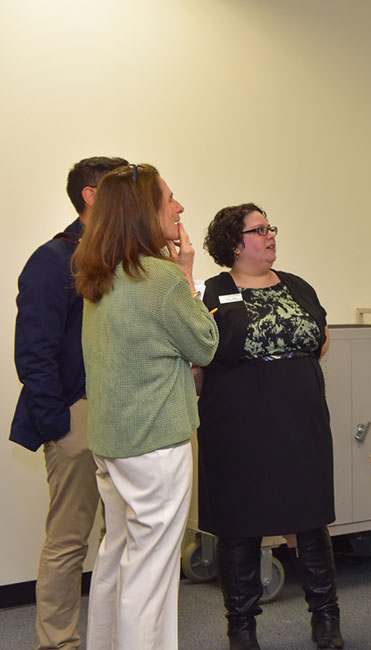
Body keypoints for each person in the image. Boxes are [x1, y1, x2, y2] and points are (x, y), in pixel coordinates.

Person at [73, 163, 218, 650]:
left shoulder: (100, 274)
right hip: (155, 447)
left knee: (116, 559)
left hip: (112, 446)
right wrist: (188, 274)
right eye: (170, 199)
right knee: (149, 576)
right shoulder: (160, 277)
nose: (179, 208)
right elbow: (205, 344)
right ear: (144, 212)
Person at [196, 203, 341, 650]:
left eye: (270, 227)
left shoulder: (297, 286)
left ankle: (326, 617)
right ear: (234, 245)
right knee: (240, 522)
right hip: (236, 423)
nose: (270, 235)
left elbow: (320, 339)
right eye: (259, 230)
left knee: (309, 517)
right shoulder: (212, 292)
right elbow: (201, 357)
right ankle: (241, 626)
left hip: (299, 416)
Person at [11, 156, 127, 650]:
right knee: (68, 539)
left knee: (123, 538)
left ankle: (117, 635)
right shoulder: (53, 259)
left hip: (127, 415)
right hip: (76, 414)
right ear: (92, 196)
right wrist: (58, 422)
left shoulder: (133, 260)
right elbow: (33, 351)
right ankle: (58, 642)